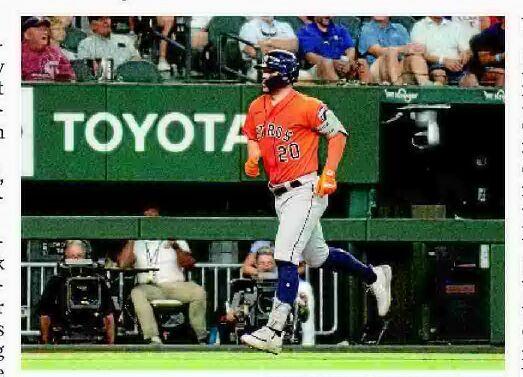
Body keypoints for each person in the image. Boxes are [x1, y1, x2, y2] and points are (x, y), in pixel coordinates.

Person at [239, 50, 392, 354]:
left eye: (268, 70)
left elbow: (338, 133)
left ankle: (274, 330)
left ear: (283, 74)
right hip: (280, 194)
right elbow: (252, 134)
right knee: (319, 257)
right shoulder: (257, 106)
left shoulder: (307, 105)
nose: (263, 75)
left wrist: (330, 172)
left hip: (306, 190)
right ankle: (374, 275)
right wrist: (253, 153)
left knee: (285, 255)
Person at [117, 206, 207, 344]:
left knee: (198, 292)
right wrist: (132, 237)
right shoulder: (137, 243)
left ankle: (201, 335)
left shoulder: (174, 239)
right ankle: (152, 337)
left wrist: (175, 245)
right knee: (137, 293)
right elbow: (123, 264)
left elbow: (189, 264)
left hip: (176, 286)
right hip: (150, 287)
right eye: (146, 220)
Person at [38, 240, 115, 344]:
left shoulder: (98, 281)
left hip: (92, 322)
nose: (76, 259)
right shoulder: (56, 281)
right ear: (65, 257)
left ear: (85, 257)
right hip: (63, 323)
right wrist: (45, 342)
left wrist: (110, 344)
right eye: (72, 256)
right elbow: (45, 312)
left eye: (79, 256)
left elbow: (108, 314)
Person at [241, 242, 316, 346]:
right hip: (264, 282)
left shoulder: (294, 240)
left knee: (304, 291)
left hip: (291, 281)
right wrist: (265, 273)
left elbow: (302, 266)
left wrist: (286, 275)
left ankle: (308, 344)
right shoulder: (260, 244)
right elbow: (246, 267)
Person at [358, 17, 429, 85]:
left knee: (415, 58)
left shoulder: (400, 28)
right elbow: (378, 51)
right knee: (391, 52)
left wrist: (418, 49)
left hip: (399, 65)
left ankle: (426, 86)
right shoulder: (367, 29)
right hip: (377, 68)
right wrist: (403, 49)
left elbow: (410, 49)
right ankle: (397, 86)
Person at [296, 16, 369, 82]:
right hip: (317, 68)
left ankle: (368, 95)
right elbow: (310, 57)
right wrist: (334, 63)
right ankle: (339, 94)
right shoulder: (305, 31)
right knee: (327, 63)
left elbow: (350, 48)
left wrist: (347, 62)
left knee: (362, 63)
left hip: (341, 66)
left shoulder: (340, 29)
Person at [410, 16, 477, 86]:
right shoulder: (419, 27)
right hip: (433, 65)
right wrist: (444, 61)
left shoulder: (455, 27)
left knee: (472, 80)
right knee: (439, 75)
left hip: (457, 65)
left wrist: (465, 55)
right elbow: (420, 54)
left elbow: (467, 50)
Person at [21, 16, 76, 81]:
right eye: (40, 29)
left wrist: (64, 77)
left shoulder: (55, 53)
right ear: (27, 35)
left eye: (46, 29)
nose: (45, 32)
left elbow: (69, 77)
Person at [469, 17, 505, 87]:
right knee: (502, 74)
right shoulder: (490, 33)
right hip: (486, 70)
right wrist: (502, 56)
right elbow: (484, 59)